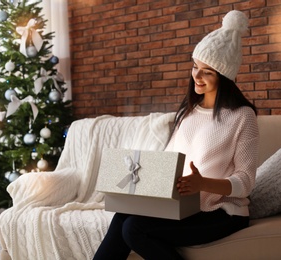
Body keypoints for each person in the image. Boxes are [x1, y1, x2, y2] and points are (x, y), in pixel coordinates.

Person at [93, 10, 259, 260]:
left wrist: (202, 183)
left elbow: (245, 181)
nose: (197, 76)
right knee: (124, 216)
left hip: (223, 213)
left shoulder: (242, 116)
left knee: (134, 228)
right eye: (195, 67)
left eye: (207, 72)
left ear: (224, 77)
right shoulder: (189, 111)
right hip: (184, 207)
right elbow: (169, 162)